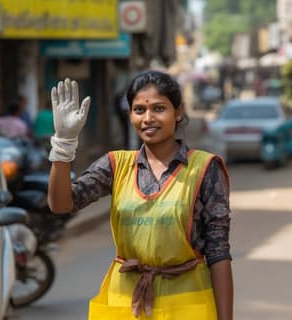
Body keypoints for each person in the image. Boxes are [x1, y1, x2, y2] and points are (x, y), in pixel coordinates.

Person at [48, 71, 233, 320]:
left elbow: (219, 251)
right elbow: (61, 204)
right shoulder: (115, 165)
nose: (148, 118)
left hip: (187, 306)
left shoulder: (205, 168)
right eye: (139, 110)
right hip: (124, 305)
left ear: (179, 112)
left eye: (159, 108)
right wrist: (63, 145)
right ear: (130, 114)